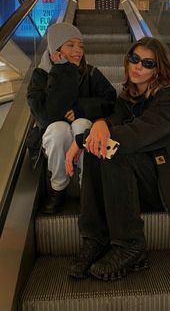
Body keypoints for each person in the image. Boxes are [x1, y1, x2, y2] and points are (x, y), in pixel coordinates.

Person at [65, 36, 170, 281]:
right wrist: (97, 127)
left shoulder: (168, 98)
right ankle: (95, 239)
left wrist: (80, 140)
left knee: (115, 151)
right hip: (139, 180)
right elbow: (113, 122)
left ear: (158, 69)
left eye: (148, 63)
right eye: (135, 59)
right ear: (127, 61)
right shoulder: (126, 98)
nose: (138, 66)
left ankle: (130, 244)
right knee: (99, 150)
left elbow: (138, 134)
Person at [27, 22, 116, 214]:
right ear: (56, 49)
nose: (78, 51)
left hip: (81, 134)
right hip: (53, 136)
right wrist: (62, 71)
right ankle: (58, 187)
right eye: (71, 45)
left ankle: (88, 188)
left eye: (81, 45)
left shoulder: (90, 72)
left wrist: (81, 108)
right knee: (58, 128)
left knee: (82, 124)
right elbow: (44, 116)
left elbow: (111, 101)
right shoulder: (40, 76)